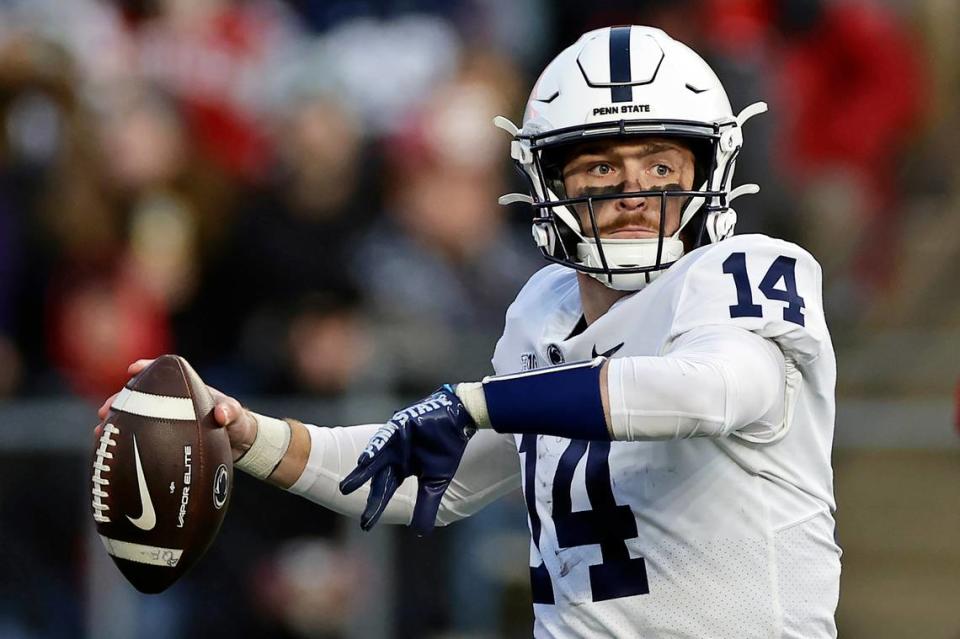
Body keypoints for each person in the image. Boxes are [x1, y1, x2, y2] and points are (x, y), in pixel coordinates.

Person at [99, 26, 840, 638]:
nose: (634, 193)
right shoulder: (543, 309)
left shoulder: (746, 270)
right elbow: (423, 475)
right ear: (550, 184)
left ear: (709, 169)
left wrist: (484, 403)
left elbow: (707, 392)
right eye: (601, 169)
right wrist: (244, 431)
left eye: (660, 164)